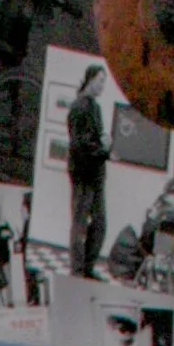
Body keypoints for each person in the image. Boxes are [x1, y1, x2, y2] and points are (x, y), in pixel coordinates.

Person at [67, 66, 109, 280]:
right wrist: (103, 149)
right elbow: (80, 144)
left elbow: (93, 139)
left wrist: (103, 147)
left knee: (100, 224)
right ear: (90, 79)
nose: (103, 86)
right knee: (80, 224)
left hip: (96, 175)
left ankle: (87, 267)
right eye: (101, 81)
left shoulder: (95, 107)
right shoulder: (80, 106)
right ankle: (78, 271)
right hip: (84, 175)